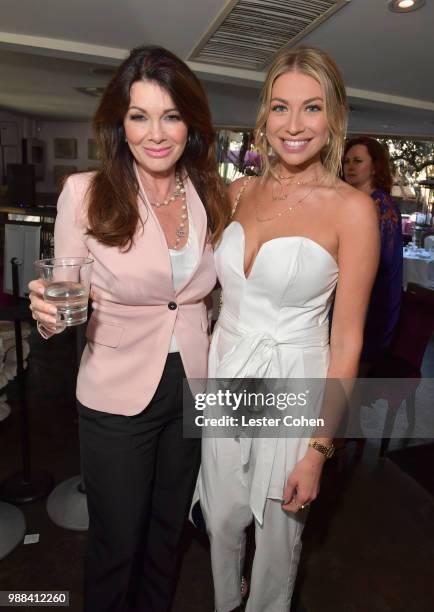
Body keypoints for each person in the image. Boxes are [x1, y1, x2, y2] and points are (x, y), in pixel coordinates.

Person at [28, 45, 229, 612]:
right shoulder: (85, 192)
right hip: (116, 392)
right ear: (121, 123)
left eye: (170, 115)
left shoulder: (209, 193)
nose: (156, 133)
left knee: (170, 533)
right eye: (139, 116)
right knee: (119, 543)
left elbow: (206, 292)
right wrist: (47, 314)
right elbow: (64, 294)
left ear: (191, 123)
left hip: (194, 382)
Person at [197, 46, 380, 611]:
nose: (294, 125)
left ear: (334, 117)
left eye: (311, 108)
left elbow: (347, 341)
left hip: (295, 382)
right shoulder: (237, 193)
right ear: (264, 116)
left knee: (277, 536)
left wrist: (318, 450)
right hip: (227, 373)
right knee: (222, 519)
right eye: (281, 107)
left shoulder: (352, 209)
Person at [343, 136, 403, 366]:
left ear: (375, 167)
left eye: (358, 161)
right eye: (347, 161)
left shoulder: (382, 204)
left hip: (372, 303)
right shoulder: (355, 201)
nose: (350, 166)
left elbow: (381, 265)